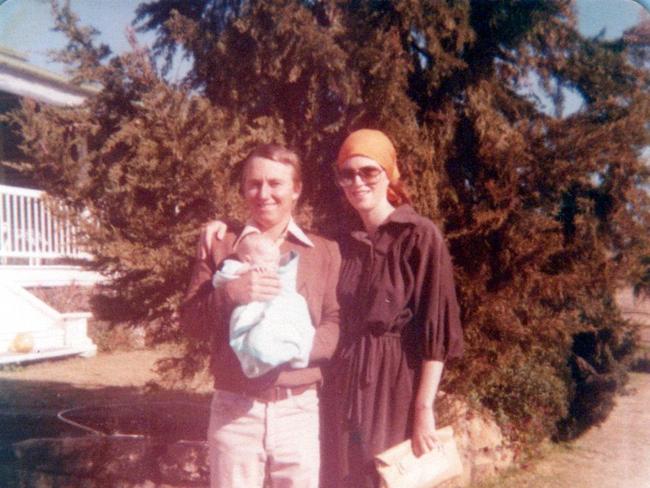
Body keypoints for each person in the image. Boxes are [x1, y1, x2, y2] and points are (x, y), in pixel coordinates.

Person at [203, 129, 463, 488]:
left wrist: (423, 408)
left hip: (392, 386)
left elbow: (438, 331)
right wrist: (227, 228)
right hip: (340, 383)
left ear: (390, 173)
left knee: (384, 478)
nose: (357, 182)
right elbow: (272, 225)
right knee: (340, 477)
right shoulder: (342, 242)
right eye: (347, 174)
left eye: (368, 171)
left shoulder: (420, 236)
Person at [179, 143, 341, 488]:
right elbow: (191, 322)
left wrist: (296, 349)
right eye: (254, 184)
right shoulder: (221, 244)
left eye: (275, 183)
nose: (263, 193)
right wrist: (233, 294)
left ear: (296, 189)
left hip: (298, 408)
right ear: (243, 188)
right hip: (235, 409)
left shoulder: (323, 251)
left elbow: (334, 320)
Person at [213, 232, 315, 378]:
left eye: (276, 262)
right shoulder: (234, 265)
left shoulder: (276, 267)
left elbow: (286, 281)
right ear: (248, 259)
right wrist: (245, 270)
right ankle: (253, 364)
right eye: (269, 261)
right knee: (255, 335)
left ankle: (300, 353)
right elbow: (219, 278)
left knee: (299, 306)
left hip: (274, 306)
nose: (274, 266)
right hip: (250, 310)